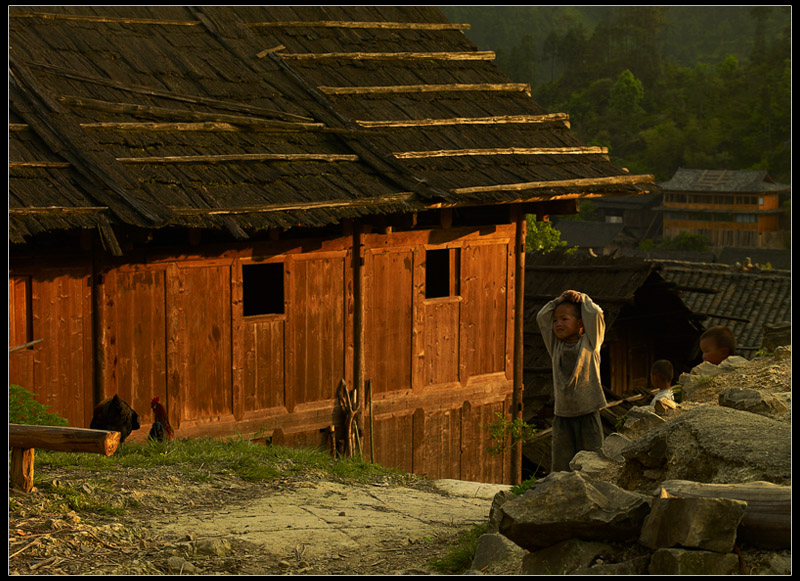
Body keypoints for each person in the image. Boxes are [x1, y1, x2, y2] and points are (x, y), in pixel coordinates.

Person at [536, 289, 606, 473]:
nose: (558, 323)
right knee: (561, 467)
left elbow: (597, 314)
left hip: (588, 414)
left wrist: (582, 298)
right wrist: (558, 300)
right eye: (556, 320)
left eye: (564, 319)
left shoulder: (591, 344)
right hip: (562, 417)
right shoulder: (555, 346)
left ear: (581, 324)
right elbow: (542, 316)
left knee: (593, 465)